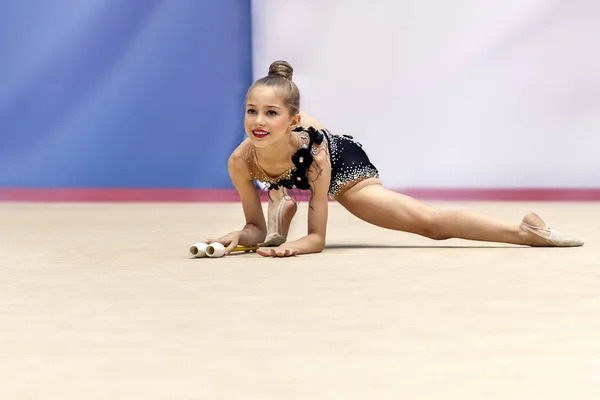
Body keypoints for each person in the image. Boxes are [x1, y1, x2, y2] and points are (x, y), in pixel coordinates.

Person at [203, 60, 584, 257]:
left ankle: (525, 233)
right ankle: (281, 201)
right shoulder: (240, 161)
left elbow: (317, 238)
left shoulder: (316, 154)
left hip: (337, 163)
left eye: (270, 113)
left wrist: (293, 247)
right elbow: (252, 231)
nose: (257, 121)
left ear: (292, 119)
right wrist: (238, 238)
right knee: (273, 191)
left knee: (428, 224)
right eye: (251, 111)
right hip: (285, 162)